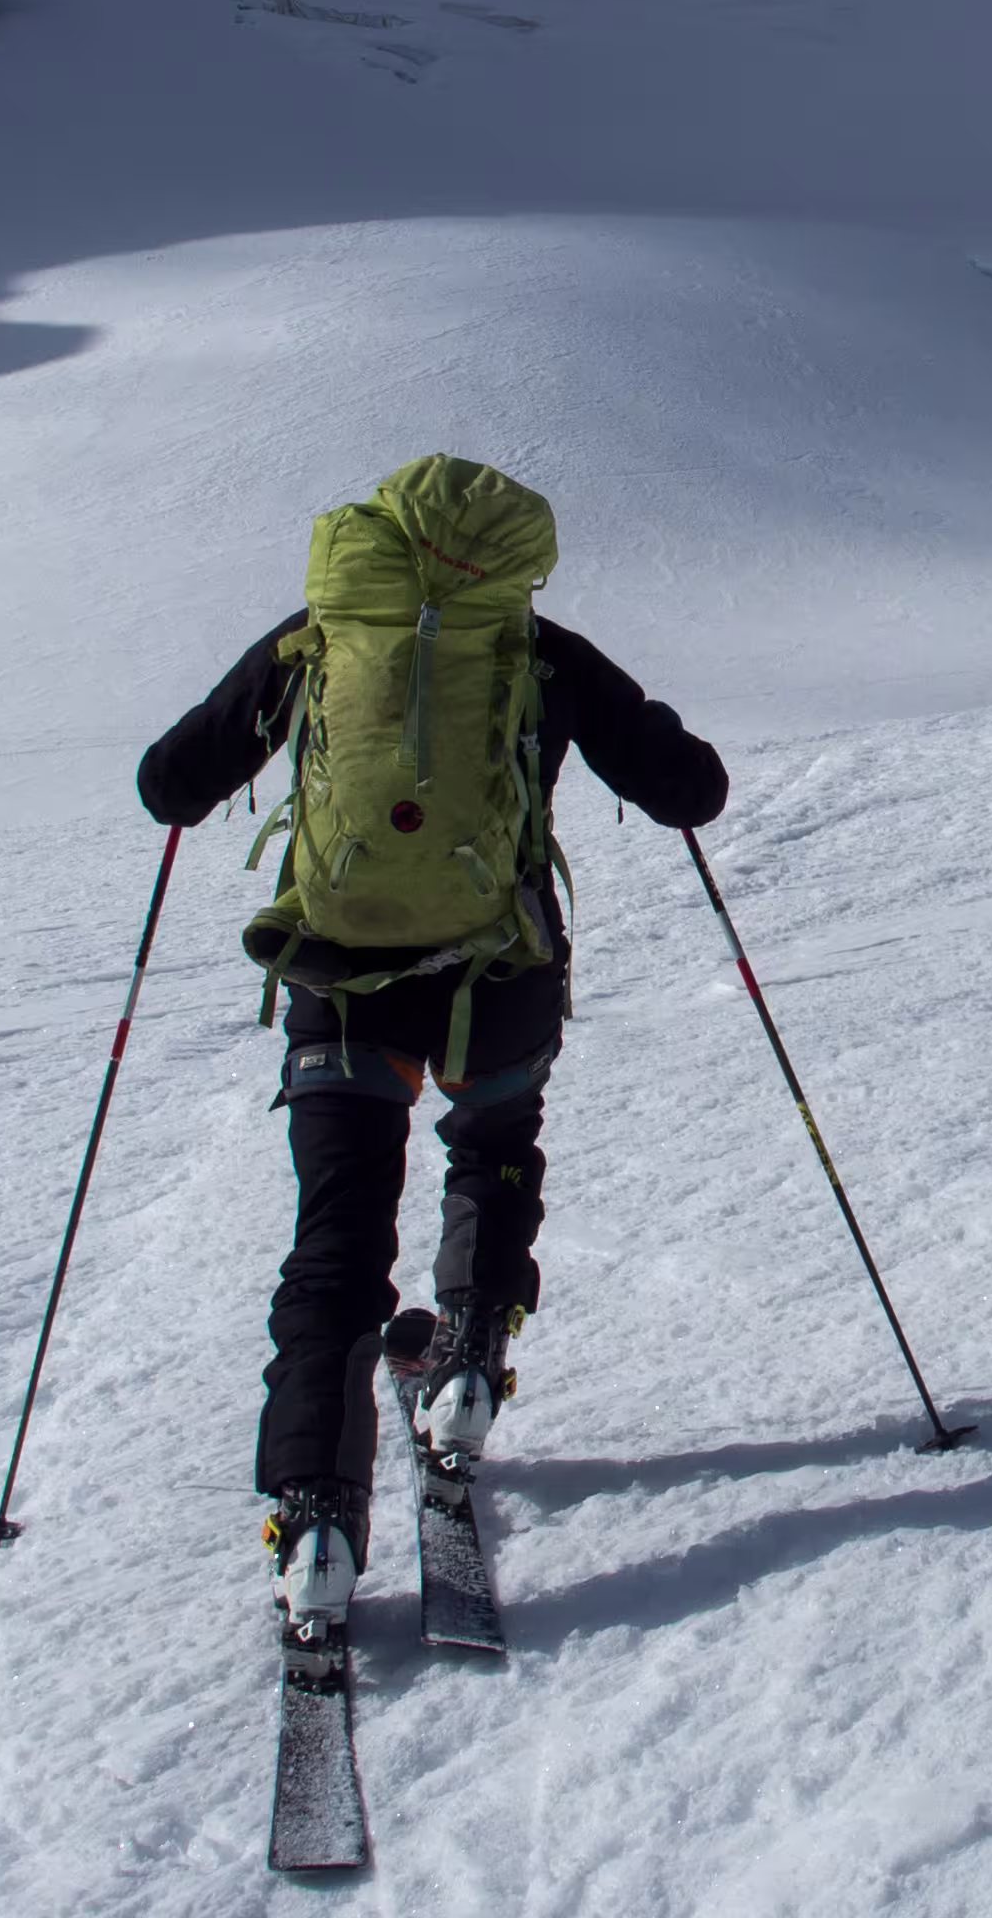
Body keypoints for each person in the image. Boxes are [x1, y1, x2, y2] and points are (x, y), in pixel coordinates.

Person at [132, 456, 726, 1630]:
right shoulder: (537, 650)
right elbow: (691, 789)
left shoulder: (317, 639)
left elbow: (169, 782)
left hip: (342, 981)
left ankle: (315, 1513)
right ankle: (465, 1363)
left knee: (336, 1240)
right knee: (493, 1146)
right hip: (500, 978)